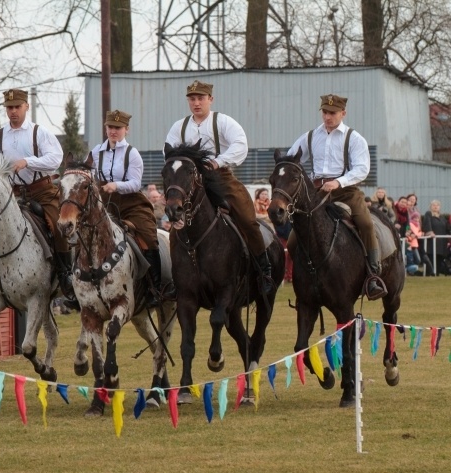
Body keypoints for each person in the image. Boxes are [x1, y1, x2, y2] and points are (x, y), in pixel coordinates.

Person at [164, 80, 274, 292]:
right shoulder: (179, 127)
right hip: (190, 183)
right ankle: (177, 277)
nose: (196, 103)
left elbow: (241, 145)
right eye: (192, 99)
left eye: (201, 98)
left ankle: (264, 269)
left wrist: (218, 161)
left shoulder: (223, 122)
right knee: (175, 222)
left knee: (247, 219)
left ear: (210, 99)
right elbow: (168, 152)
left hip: (220, 177)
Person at [0, 88, 76, 305]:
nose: (13, 112)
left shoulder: (40, 133)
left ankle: (65, 272)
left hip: (42, 190)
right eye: (9, 108)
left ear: (26, 107)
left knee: (57, 223)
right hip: (11, 193)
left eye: (17, 107)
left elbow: (55, 159)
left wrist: (28, 161)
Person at [287, 93, 386, 299]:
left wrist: (338, 182)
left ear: (343, 113)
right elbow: (291, 159)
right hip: (316, 193)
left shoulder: (354, 138)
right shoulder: (311, 137)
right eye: (324, 112)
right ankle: (303, 278)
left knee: (366, 224)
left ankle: (373, 276)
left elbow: (362, 169)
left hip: (346, 191)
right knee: (293, 240)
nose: (327, 117)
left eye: (332, 113)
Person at [91, 109, 168, 307]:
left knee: (149, 237)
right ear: (106, 128)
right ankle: (80, 288)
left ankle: (155, 289)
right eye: (110, 127)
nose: (113, 131)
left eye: (118, 128)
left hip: (130, 203)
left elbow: (135, 183)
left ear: (127, 130)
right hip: (103, 203)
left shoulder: (132, 154)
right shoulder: (95, 152)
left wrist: (116, 185)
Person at [421, 199, 449, 274]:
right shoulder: (428, 214)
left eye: (437, 205)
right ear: (430, 207)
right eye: (434, 205)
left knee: (439, 259)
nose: (436, 207)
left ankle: (437, 272)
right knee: (431, 258)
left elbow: (447, 228)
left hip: (441, 242)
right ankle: (429, 273)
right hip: (432, 242)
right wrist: (430, 232)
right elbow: (427, 223)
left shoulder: (442, 217)